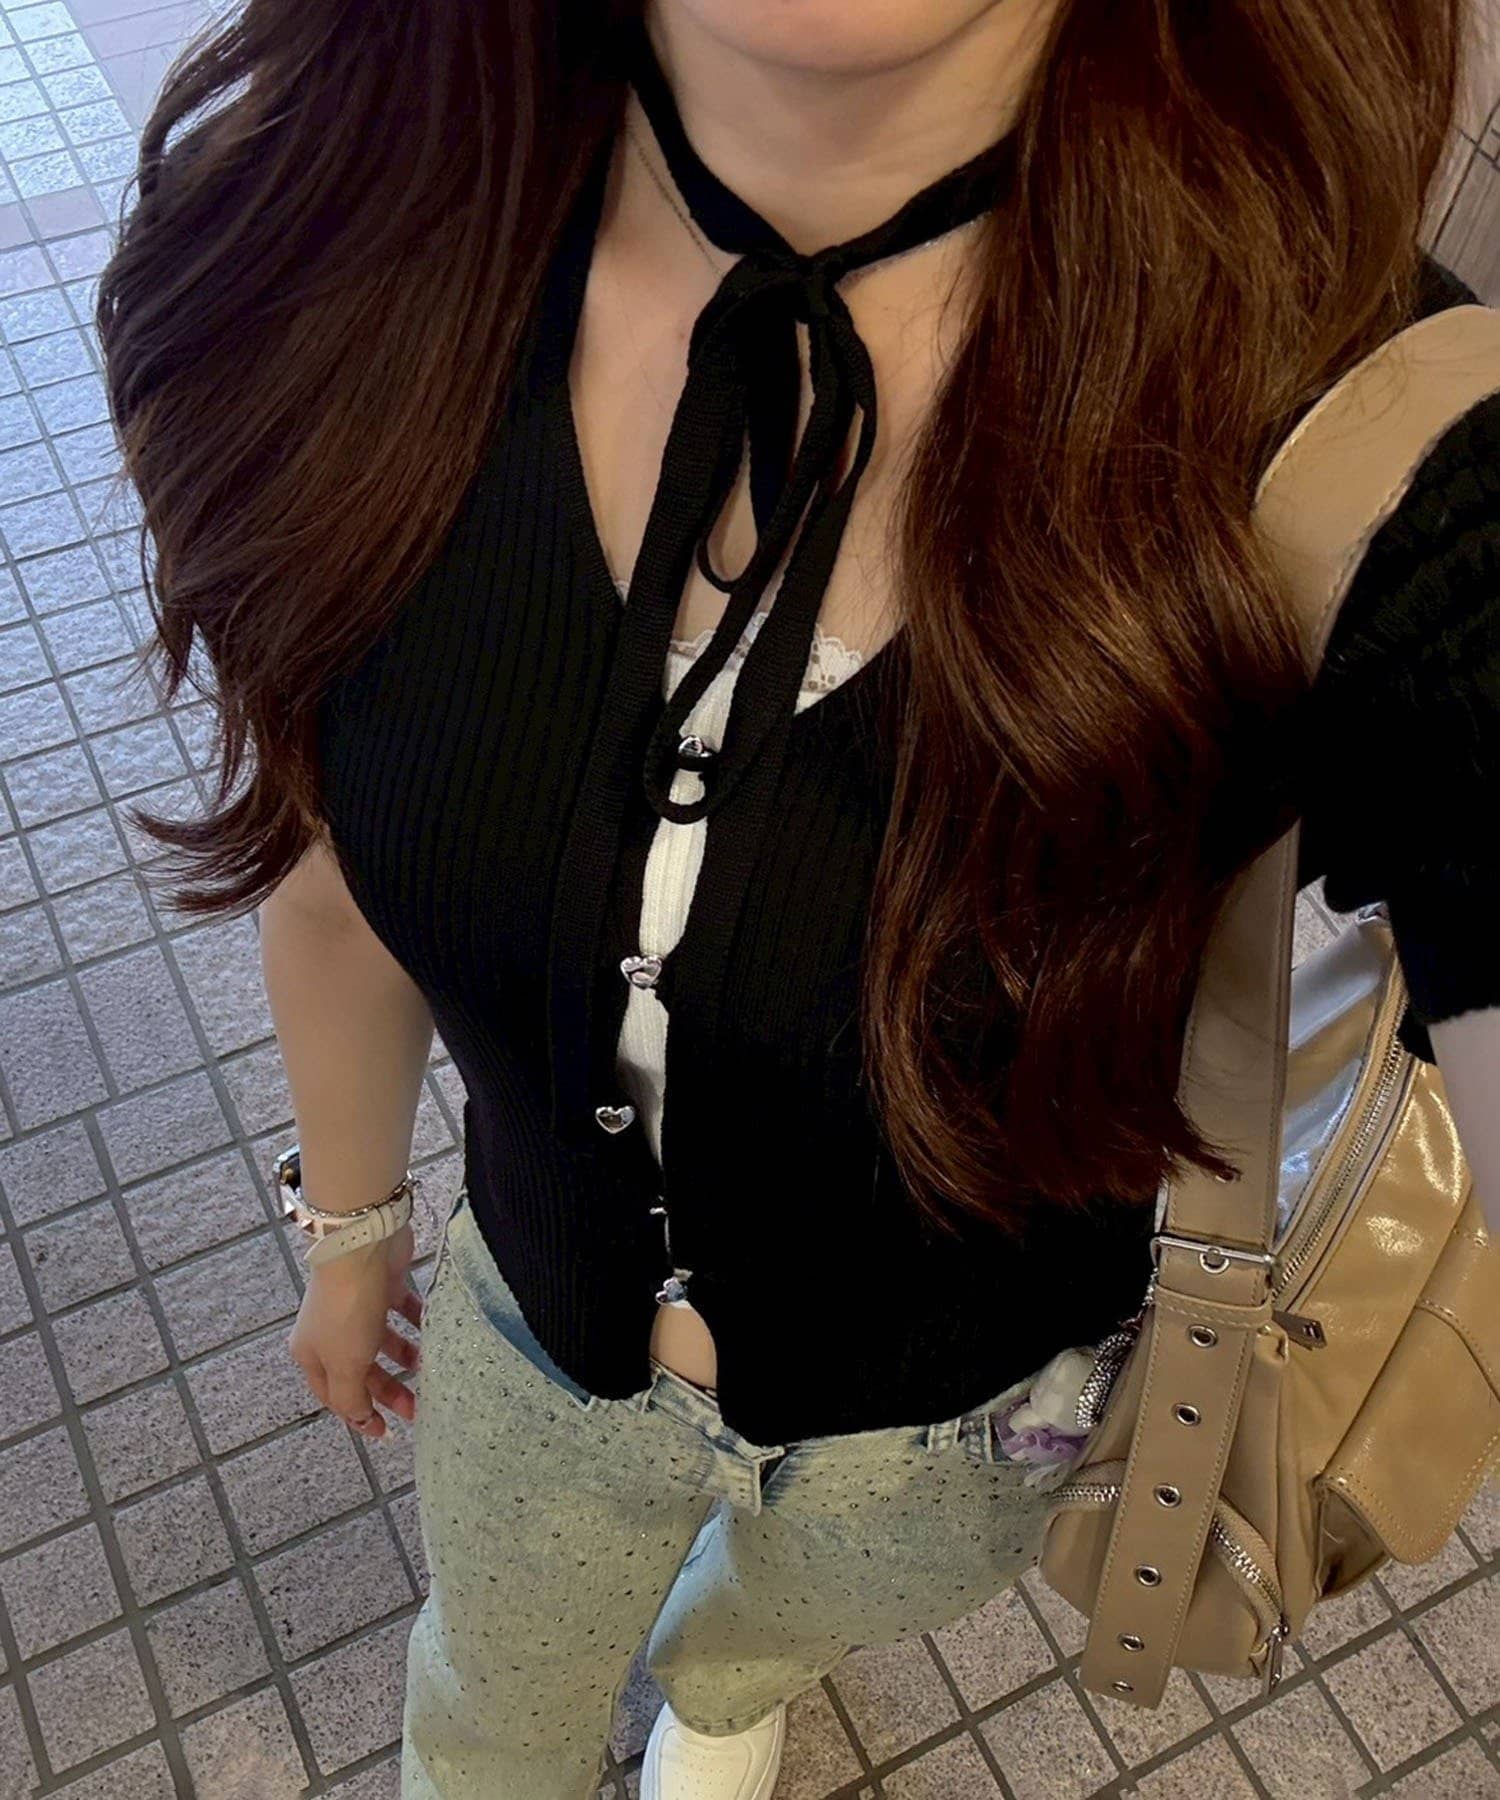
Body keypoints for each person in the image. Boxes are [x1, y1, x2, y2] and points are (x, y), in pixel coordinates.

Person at [96, 1, 1500, 1795]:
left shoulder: (1370, 449)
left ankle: (726, 1688)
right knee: (490, 1713)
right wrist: (352, 1229)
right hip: (532, 1337)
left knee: (767, 1631)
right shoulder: (326, 263)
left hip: (965, 1424)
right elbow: (338, 872)